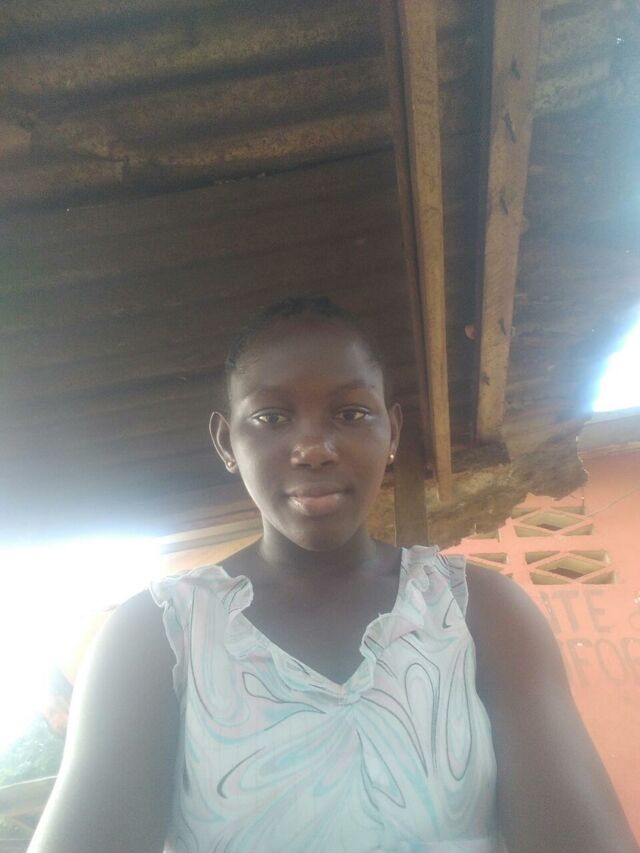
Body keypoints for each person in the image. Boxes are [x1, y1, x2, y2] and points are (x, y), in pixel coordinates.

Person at [29, 296, 638, 852]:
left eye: (351, 413)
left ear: (391, 431)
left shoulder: (479, 613)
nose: (315, 447)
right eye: (271, 418)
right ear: (226, 442)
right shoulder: (158, 636)